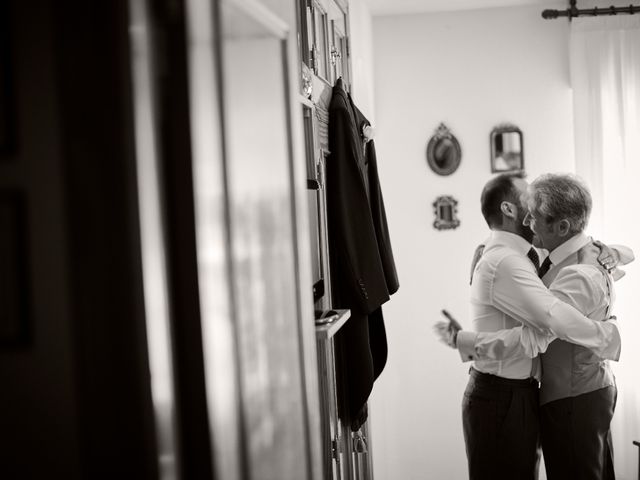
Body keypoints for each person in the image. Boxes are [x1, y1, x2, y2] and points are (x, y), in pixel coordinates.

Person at [434, 172, 630, 480]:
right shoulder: (516, 259)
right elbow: (545, 325)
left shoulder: (568, 263)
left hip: (570, 397)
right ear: (509, 210)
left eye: (535, 213)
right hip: (523, 395)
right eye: (529, 204)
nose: (530, 220)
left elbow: (544, 329)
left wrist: (611, 253)